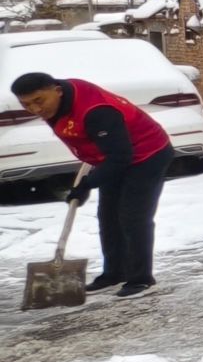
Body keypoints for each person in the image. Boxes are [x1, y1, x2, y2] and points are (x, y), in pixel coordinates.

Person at [10, 70, 172, 298]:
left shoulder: (96, 112)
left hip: (147, 155)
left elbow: (120, 157)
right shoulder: (60, 101)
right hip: (112, 158)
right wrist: (90, 178)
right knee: (108, 217)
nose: (35, 109)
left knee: (132, 218)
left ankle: (141, 279)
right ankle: (114, 273)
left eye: (39, 100)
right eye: (26, 105)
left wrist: (87, 184)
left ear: (57, 91)